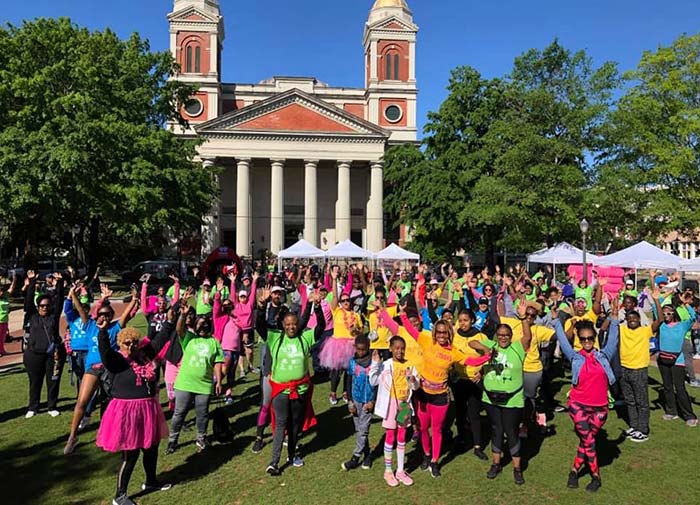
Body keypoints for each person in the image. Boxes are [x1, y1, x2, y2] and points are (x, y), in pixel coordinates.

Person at [95, 318, 172, 505]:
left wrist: (171, 318)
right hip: (127, 410)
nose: (131, 346)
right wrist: (103, 332)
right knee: (131, 454)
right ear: (120, 344)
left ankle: (151, 481)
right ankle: (120, 495)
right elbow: (105, 353)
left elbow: (160, 339)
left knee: (151, 447)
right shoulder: (117, 361)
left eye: (134, 342)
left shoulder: (143, 355)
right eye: (127, 343)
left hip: (147, 407)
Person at [256, 291, 326, 476]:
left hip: (300, 389)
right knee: (280, 424)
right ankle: (274, 462)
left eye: (294, 324)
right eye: (288, 324)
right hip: (280, 390)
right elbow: (259, 326)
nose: (291, 327)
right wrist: (261, 307)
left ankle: (293, 454)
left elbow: (321, 327)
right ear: (283, 325)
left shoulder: (305, 338)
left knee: (295, 425)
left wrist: (317, 307)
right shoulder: (274, 338)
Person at [553, 302, 620, 493]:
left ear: (595, 337)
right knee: (589, 441)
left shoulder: (604, 356)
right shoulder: (575, 357)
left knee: (586, 441)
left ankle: (574, 470)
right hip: (578, 405)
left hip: (600, 407)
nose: (587, 342)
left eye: (590, 338)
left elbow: (613, 340)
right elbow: (562, 341)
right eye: (583, 339)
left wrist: (614, 320)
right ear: (579, 340)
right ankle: (596, 477)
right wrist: (557, 321)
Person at [64, 285, 137, 454]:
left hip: (110, 369)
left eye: (108, 314)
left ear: (111, 316)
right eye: (101, 314)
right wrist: (73, 294)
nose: (104, 316)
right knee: (82, 401)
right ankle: (72, 436)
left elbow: (126, 314)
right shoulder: (89, 325)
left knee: (110, 403)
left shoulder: (115, 328)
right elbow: (81, 310)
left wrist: (134, 298)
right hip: (93, 368)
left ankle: (112, 435)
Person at [396, 312, 470, 478]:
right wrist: (403, 315)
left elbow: (470, 361)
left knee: (436, 430)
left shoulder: (454, 352)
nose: (442, 335)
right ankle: (426, 455)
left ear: (449, 333)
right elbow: (411, 331)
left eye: (445, 332)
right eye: (439, 332)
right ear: (435, 333)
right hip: (422, 393)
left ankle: (435, 461)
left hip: (440, 397)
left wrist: (487, 357)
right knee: (422, 428)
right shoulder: (426, 340)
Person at [468, 319, 533, 485]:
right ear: (496, 336)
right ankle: (496, 464)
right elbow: (472, 342)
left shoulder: (518, 348)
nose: (503, 338)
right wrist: (486, 349)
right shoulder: (492, 345)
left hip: (512, 399)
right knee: (496, 430)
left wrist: (524, 318)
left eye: (506, 335)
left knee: (511, 432)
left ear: (511, 336)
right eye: (500, 335)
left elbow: (527, 336)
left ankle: (517, 468)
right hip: (490, 398)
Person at [166, 302, 225, 454]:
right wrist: (183, 315)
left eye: (205, 324)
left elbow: (218, 363)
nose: (203, 327)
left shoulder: (214, 342)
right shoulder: (189, 338)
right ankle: (173, 440)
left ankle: (201, 438)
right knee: (179, 413)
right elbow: (179, 329)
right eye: (200, 324)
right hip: (185, 383)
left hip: (204, 385)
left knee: (202, 414)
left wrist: (218, 381)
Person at [369, 336, 420, 487]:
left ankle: (400, 470)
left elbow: (415, 387)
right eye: (396, 348)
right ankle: (388, 471)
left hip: (404, 405)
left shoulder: (410, 365)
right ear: (390, 349)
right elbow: (373, 381)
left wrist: (412, 379)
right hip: (390, 404)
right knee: (390, 436)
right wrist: (375, 364)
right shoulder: (385, 365)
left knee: (402, 436)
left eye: (402, 348)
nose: (400, 351)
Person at [651, 288, 699, 426]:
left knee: (679, 388)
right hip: (663, 360)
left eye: (668, 313)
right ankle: (671, 412)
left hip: (677, 361)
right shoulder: (661, 325)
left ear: (673, 314)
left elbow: (693, 318)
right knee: (667, 387)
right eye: (664, 313)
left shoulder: (682, 326)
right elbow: (656, 309)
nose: (665, 315)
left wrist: (685, 304)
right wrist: (657, 298)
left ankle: (689, 415)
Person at [23, 270, 65, 418]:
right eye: (41, 305)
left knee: (53, 381)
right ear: (38, 306)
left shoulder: (53, 316)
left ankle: (51, 406)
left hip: (52, 355)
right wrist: (32, 281)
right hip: (34, 354)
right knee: (35, 381)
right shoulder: (32, 316)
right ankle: (32, 407)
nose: (44, 307)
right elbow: (28, 301)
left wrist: (60, 283)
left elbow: (59, 301)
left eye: (47, 305)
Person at [450, 309, 488, 460]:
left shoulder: (481, 336)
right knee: (460, 411)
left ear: (472, 320)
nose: (462, 323)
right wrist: (452, 369)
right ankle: (461, 439)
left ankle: (477, 446)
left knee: (473, 413)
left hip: (474, 382)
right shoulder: (454, 335)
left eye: (465, 320)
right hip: (458, 380)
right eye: (460, 320)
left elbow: (491, 356)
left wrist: (482, 372)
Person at [321, 267, 362, 405]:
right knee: (336, 371)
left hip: (352, 344)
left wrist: (355, 329)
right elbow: (334, 296)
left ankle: (346, 391)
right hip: (338, 345)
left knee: (349, 371)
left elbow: (360, 332)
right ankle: (333, 392)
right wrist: (334, 279)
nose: (345, 302)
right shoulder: (337, 311)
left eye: (347, 300)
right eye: (343, 300)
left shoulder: (356, 315)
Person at [341, 333, 377, 471]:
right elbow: (348, 381)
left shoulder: (374, 363)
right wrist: (350, 401)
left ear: (368, 348)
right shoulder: (351, 362)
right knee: (359, 429)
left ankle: (355, 458)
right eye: (358, 349)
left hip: (368, 401)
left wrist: (372, 401)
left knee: (363, 430)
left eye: (364, 349)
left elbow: (377, 384)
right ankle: (367, 454)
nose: (361, 352)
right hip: (355, 400)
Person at [619, 308, 655, 442]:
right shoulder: (622, 330)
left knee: (642, 402)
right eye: (629, 319)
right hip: (624, 369)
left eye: (635, 318)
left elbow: (660, 320)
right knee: (630, 400)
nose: (632, 320)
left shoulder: (645, 331)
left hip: (639, 370)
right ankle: (634, 426)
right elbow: (606, 327)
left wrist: (656, 300)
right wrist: (614, 311)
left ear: (639, 319)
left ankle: (643, 429)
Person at [0, 275, 17, 356]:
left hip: (5, 320)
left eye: (2, 291)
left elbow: (11, 289)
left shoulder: (5, 296)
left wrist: (14, 280)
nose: (1, 292)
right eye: (0, 291)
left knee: (3, 337)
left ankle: (2, 350)